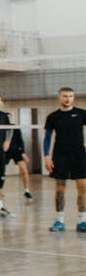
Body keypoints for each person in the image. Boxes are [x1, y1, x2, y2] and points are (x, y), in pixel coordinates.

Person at [42, 87, 86, 232]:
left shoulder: (81, 114)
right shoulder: (53, 116)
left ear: (74, 98)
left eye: (71, 96)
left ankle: (82, 221)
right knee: (60, 188)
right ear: (59, 97)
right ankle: (59, 221)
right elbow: (47, 137)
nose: (68, 99)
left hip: (79, 155)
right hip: (60, 155)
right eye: (65, 96)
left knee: (83, 187)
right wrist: (47, 156)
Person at [4, 114, 34, 201]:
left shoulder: (15, 127)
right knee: (0, 171)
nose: (8, 119)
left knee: (24, 170)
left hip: (16, 151)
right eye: (6, 117)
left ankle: (27, 190)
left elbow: (20, 139)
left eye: (9, 117)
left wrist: (23, 152)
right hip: (5, 151)